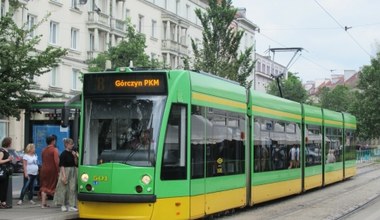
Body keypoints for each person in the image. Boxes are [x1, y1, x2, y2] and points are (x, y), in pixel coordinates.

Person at [54, 138, 78, 212]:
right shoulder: (63, 154)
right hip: (65, 171)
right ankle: (63, 205)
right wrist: (64, 176)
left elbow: (76, 164)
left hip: (73, 171)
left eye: (72, 144)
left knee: (72, 189)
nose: (72, 145)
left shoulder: (72, 153)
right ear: (67, 145)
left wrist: (75, 157)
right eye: (71, 144)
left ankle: (71, 205)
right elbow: (62, 165)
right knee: (63, 189)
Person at [39, 135, 59, 208]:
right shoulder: (54, 150)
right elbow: (56, 161)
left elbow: (43, 160)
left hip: (43, 169)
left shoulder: (43, 150)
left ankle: (43, 203)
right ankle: (57, 202)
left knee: (44, 185)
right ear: (53, 141)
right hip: (52, 170)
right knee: (53, 185)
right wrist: (58, 171)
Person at [0, 137, 14, 209]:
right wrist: (8, 159)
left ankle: (3, 202)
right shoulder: (2, 151)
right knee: (2, 187)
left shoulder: (6, 151)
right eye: (11, 142)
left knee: (4, 187)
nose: (12, 143)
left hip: (6, 172)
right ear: (8, 143)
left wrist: (10, 160)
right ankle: (2, 203)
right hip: (2, 172)